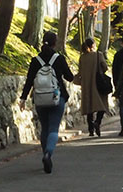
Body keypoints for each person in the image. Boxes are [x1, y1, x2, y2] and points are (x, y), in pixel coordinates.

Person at [20, 31, 74, 173]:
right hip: (57, 97)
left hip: (40, 99)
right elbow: (69, 77)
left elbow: (29, 81)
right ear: (55, 43)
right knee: (53, 128)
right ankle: (48, 153)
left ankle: (45, 155)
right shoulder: (59, 59)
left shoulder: (35, 60)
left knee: (44, 127)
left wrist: (23, 98)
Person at [78, 38, 109, 137]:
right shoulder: (98, 55)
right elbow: (105, 67)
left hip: (87, 84)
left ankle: (90, 129)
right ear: (93, 45)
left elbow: (80, 71)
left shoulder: (82, 57)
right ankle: (97, 122)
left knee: (89, 106)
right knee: (102, 105)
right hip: (98, 83)